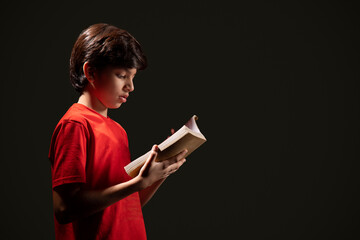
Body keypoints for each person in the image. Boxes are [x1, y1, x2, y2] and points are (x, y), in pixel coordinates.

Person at [47, 23, 187, 240]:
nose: (130, 86)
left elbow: (125, 202)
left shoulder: (118, 131)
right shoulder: (75, 124)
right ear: (90, 72)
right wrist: (137, 183)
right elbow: (65, 209)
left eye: (132, 77)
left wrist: (160, 173)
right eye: (121, 75)